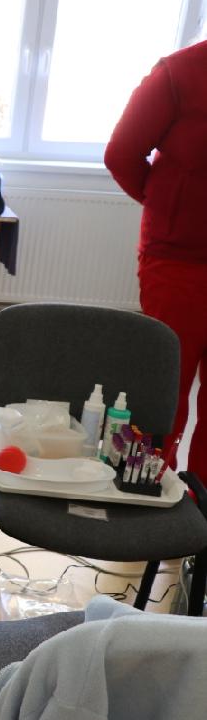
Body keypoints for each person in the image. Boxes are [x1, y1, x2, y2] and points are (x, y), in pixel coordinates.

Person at [104, 37, 207, 486]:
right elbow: (122, 154)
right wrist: (167, 207)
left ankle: (201, 505)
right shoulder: (180, 73)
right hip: (177, 263)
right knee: (166, 390)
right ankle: (146, 490)